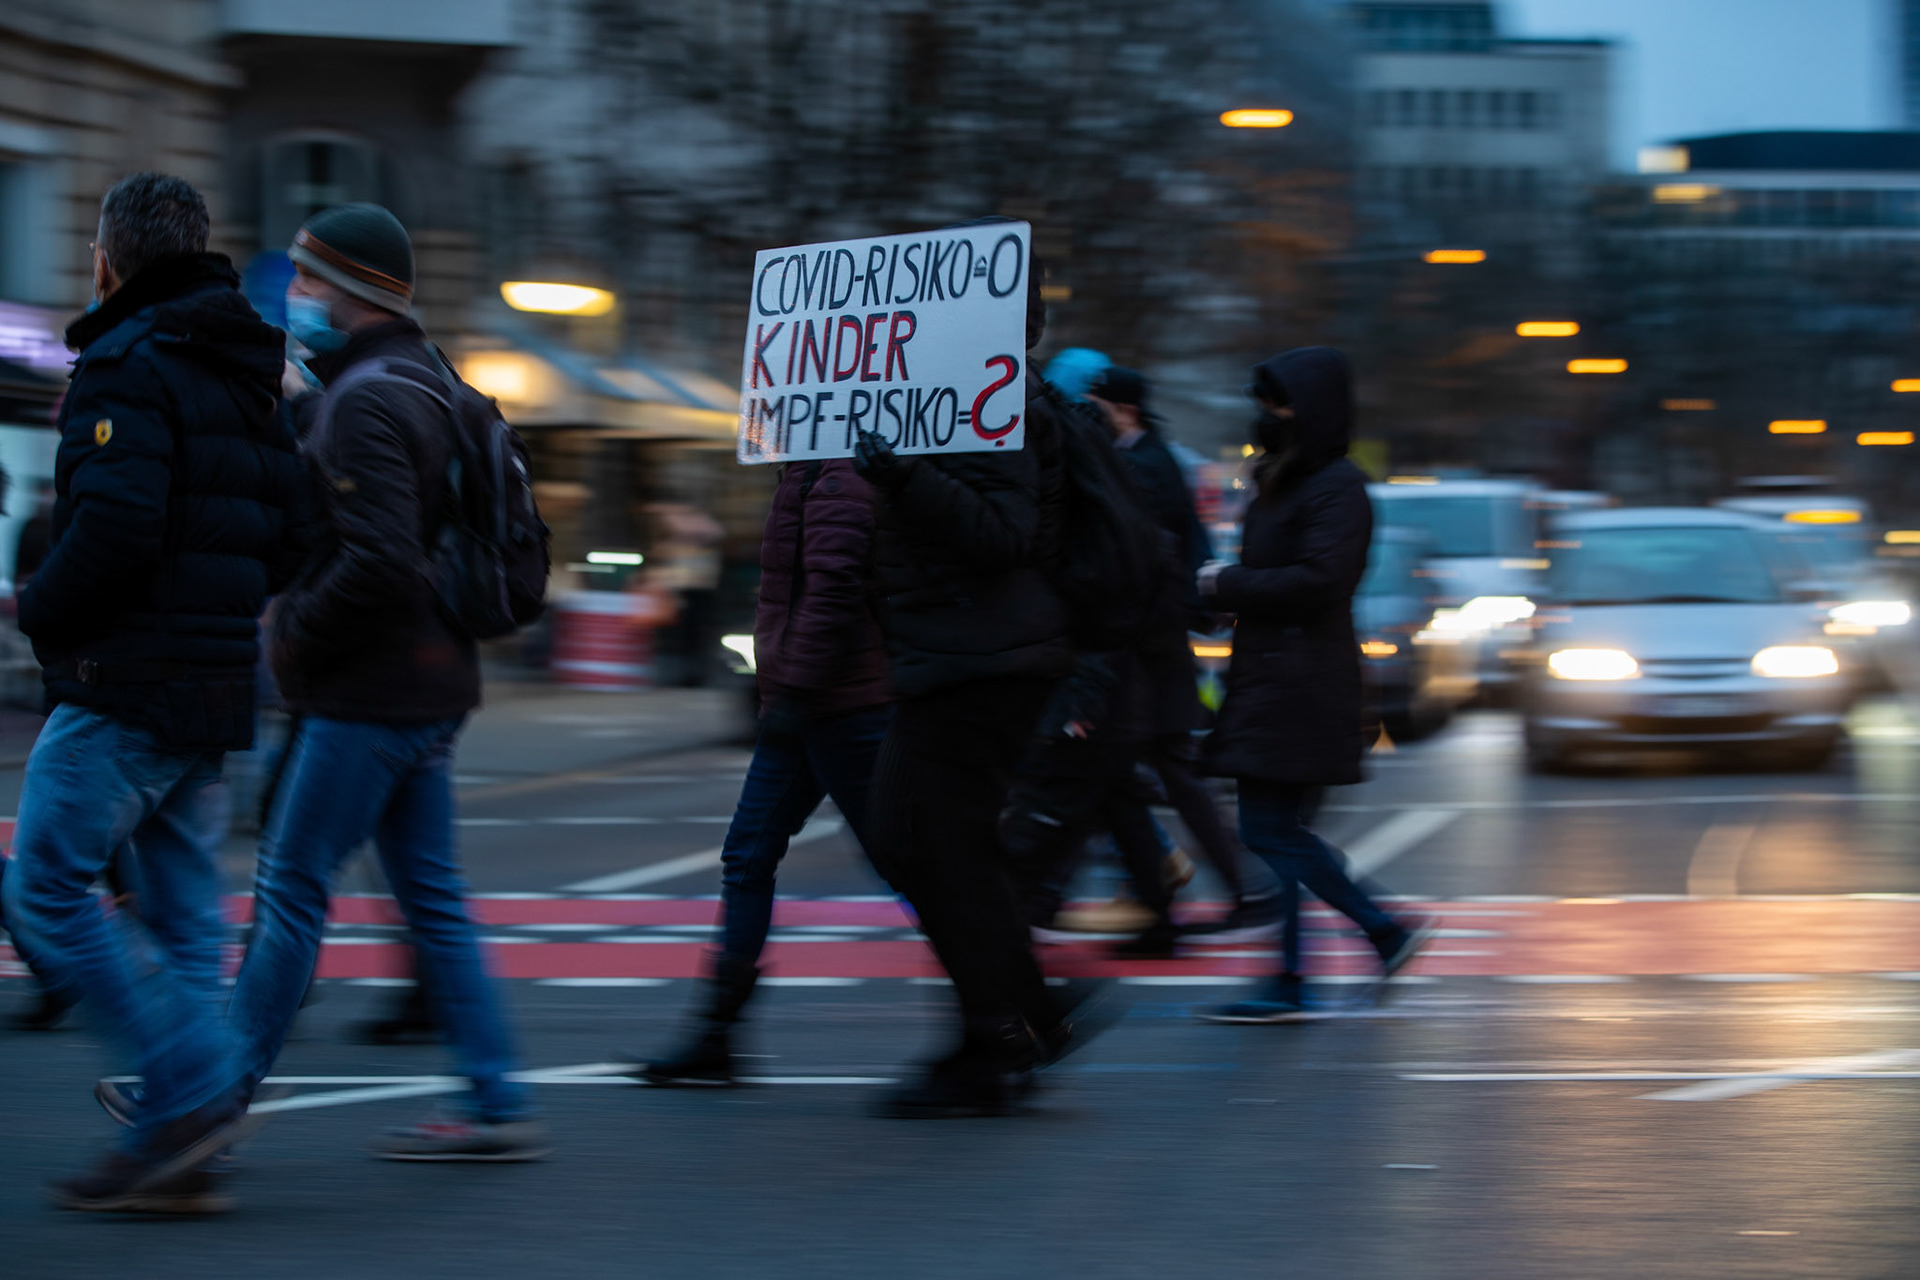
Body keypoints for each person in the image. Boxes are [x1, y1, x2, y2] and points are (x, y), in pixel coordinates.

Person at [1, 172, 307, 1212]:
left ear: (110, 258)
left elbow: (118, 526)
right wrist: (219, 604)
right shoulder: (250, 367)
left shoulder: (126, 363)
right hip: (217, 684)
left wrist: (36, 604)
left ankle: (194, 1099)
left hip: (125, 679)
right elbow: (299, 532)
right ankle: (182, 1152)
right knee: (181, 919)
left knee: (42, 884)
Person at [224, 203, 547, 1161]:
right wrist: (304, 403)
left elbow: (379, 559)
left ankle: (204, 1103)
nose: (296, 293)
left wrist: (290, 634)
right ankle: (494, 1098)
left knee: (288, 887)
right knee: (431, 897)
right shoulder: (419, 376)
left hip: (371, 689)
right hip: (432, 683)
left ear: (352, 289)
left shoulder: (368, 398)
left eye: (308, 278)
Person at [853, 233, 1109, 1118]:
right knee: (930, 843)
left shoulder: (999, 402)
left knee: (921, 838)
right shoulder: (951, 397)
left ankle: (1010, 1026)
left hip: (987, 658)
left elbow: (1001, 536)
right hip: (958, 653)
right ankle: (1011, 1022)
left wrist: (901, 475)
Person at [637, 455, 892, 1085]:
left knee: (905, 861)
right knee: (747, 856)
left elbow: (831, 594)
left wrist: (795, 691)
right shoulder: (805, 476)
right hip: (808, 702)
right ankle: (714, 1037)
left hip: (837, 704)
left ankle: (1012, 1004)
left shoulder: (837, 480)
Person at [1197, 348, 1432, 1023]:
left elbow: (1321, 581)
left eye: (1278, 404)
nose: (1265, 416)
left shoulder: (1337, 486)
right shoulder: (1285, 479)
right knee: (1280, 831)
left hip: (1303, 685)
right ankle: (1294, 978)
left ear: (1311, 410)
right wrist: (1222, 594)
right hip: (1276, 679)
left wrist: (1226, 583)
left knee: (1271, 831)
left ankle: (1381, 930)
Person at [1082, 367, 1270, 943]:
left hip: (1149, 650)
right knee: (1159, 775)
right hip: (1156, 648)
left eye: (1097, 408)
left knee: (1135, 774)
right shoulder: (1152, 458)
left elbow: (1142, 560)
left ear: (1124, 411)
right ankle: (1217, 892)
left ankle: (1205, 895)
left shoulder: (1142, 466)